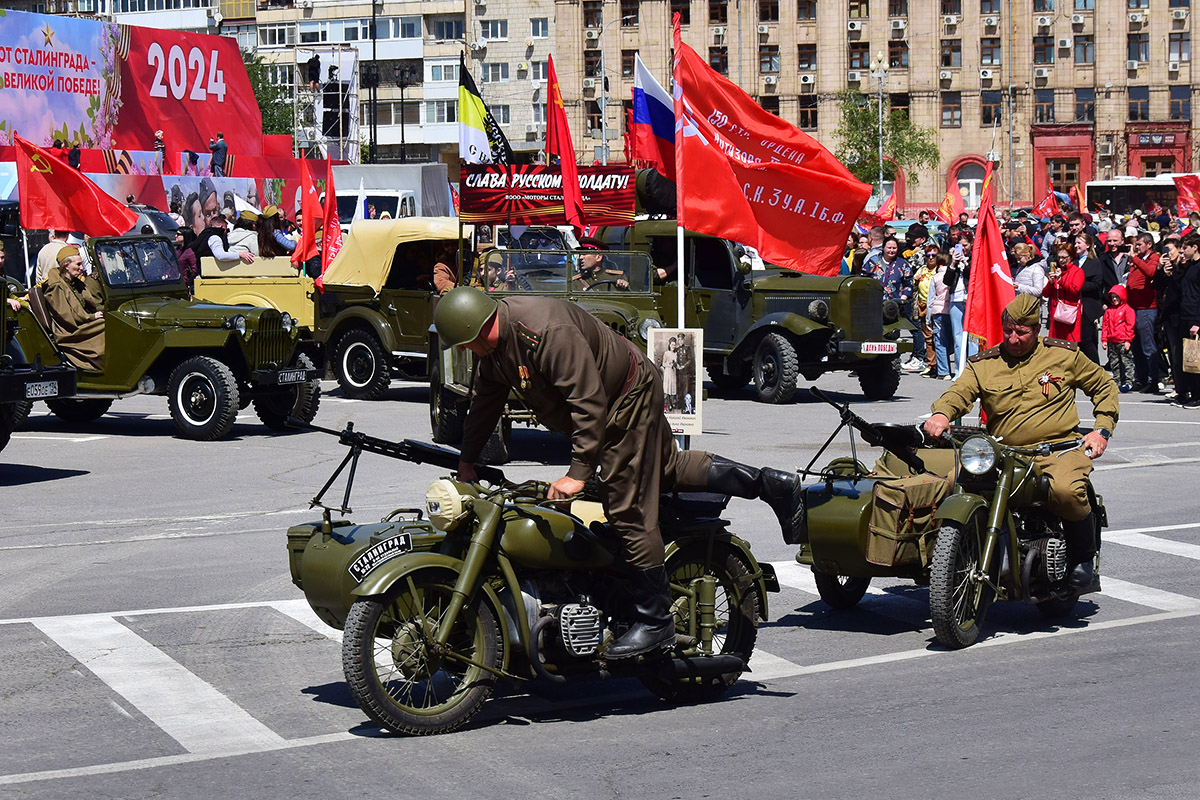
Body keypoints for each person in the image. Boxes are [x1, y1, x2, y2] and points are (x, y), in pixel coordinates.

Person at [435, 287, 804, 659]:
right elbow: (485, 404)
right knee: (667, 469)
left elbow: (588, 403)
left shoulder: (546, 332)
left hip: (625, 397)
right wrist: (466, 462)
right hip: (614, 396)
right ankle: (771, 484)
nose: (465, 351)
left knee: (626, 506)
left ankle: (656, 621)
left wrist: (578, 473)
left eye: (465, 343)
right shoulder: (496, 350)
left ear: (480, 328)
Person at [923, 293, 1119, 589]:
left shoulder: (1063, 356)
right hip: (1003, 452)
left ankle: (1082, 557)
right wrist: (941, 414)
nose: (1013, 339)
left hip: (1058, 451)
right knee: (952, 483)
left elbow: (1104, 386)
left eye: (1022, 332)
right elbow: (959, 392)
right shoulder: (985, 363)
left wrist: (1101, 430)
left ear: (1036, 330)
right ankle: (954, 555)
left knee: (1066, 491)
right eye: (1008, 331)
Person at [42, 245, 105, 371]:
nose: (82, 268)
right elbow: (67, 317)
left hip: (82, 323)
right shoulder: (55, 287)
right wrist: (92, 317)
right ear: (66, 265)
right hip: (69, 331)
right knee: (106, 326)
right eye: (78, 264)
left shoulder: (75, 283)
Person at [1127, 233, 1161, 393]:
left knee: (1148, 346)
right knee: (1137, 347)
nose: (1137, 247)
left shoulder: (1153, 258)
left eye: (1140, 244)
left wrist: (1135, 259)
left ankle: (1152, 379)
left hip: (1146, 309)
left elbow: (1151, 273)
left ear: (1148, 244)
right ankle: (1140, 378)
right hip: (1134, 307)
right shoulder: (1138, 259)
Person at [190, 197, 254, 268]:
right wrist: (240, 254)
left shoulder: (206, 235)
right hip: (211, 271)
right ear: (221, 226)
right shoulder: (214, 237)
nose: (226, 232)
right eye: (226, 229)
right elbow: (220, 255)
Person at [1044, 241, 1084, 342]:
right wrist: (1051, 282)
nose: (1061, 260)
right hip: (1055, 315)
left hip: (1069, 314)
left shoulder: (1077, 271)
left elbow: (1074, 290)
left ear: (1071, 257)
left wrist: (1061, 280)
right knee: (1055, 346)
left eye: (1064, 257)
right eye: (1059, 257)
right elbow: (1045, 293)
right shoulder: (1057, 271)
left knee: (1068, 345)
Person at [1102, 285, 1136, 392]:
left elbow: (1130, 326)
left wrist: (1128, 340)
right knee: (1114, 362)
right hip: (1112, 341)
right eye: (1112, 297)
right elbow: (1105, 326)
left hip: (1123, 340)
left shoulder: (1128, 310)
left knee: (1127, 362)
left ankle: (1129, 382)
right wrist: (1104, 340)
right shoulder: (1109, 311)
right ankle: (1117, 381)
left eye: (1117, 297)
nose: (1114, 299)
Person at [175, 228, 199, 294]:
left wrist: (187, 281)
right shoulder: (178, 249)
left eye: (178, 234)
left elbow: (195, 269)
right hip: (175, 281)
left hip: (184, 285)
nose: (175, 236)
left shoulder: (190, 252)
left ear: (185, 236)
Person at [660, 336, 679, 410]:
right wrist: (668, 364)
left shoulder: (676, 354)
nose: (673, 347)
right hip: (667, 372)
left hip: (673, 372)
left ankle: (672, 403)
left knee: (673, 388)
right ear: (669, 345)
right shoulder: (666, 353)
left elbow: (677, 364)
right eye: (672, 345)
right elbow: (663, 363)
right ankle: (666, 404)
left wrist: (675, 364)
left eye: (674, 345)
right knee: (667, 388)